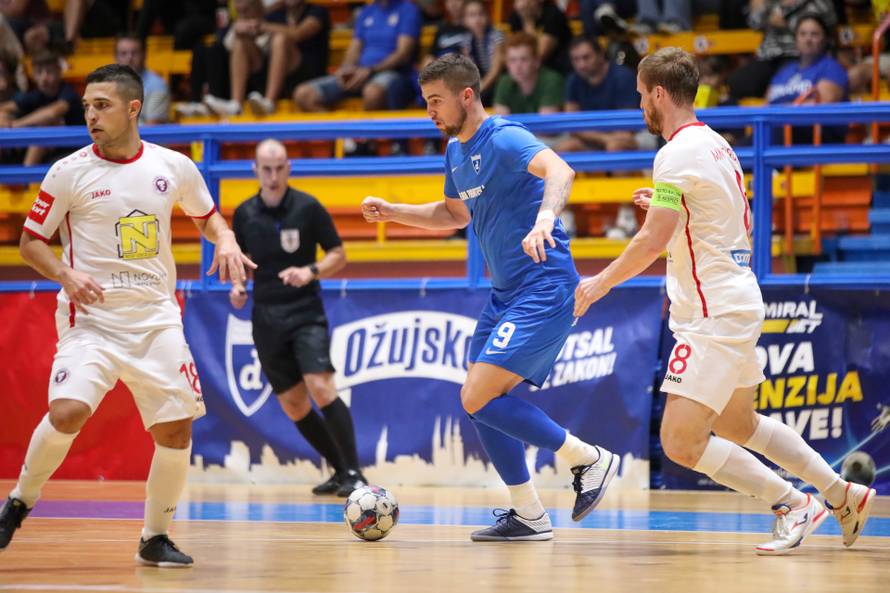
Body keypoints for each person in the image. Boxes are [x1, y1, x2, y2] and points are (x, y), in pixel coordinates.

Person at [573, 47, 877, 555]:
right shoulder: (716, 145)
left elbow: (652, 240)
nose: (640, 105)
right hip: (735, 297)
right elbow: (717, 220)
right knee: (740, 425)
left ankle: (792, 504)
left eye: (642, 95)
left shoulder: (674, 153)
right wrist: (670, 213)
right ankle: (839, 492)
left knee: (680, 442)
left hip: (712, 311)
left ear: (660, 94)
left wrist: (599, 282)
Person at [0, 64, 256, 567]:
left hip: (156, 316)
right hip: (91, 318)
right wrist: (66, 276)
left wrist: (225, 239)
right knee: (67, 412)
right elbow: (31, 242)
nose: (91, 115)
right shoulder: (68, 171)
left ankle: (154, 537)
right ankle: (18, 502)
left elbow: (208, 218)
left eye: (102, 105)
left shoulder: (173, 165)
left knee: (176, 430)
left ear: (133, 108)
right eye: (87, 106)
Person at [361, 53, 618, 542]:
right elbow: (454, 214)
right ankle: (528, 514)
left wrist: (545, 219)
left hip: (544, 286)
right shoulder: (456, 151)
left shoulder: (503, 137)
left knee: (477, 394)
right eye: (425, 102)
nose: (429, 112)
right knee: (479, 401)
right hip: (507, 293)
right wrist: (395, 212)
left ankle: (589, 459)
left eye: (436, 101)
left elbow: (560, 171)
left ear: (465, 95)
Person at [230, 139, 367, 497]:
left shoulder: (308, 208)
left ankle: (355, 472)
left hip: (305, 312)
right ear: (255, 171)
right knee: (293, 403)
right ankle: (339, 470)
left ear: (288, 168)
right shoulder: (244, 213)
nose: (273, 176)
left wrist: (311, 271)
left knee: (321, 387)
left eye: (279, 168)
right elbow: (239, 262)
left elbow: (339, 254)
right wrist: (238, 286)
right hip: (266, 316)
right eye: (266, 169)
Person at [204, 0, 331, 116]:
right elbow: (255, 25)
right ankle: (235, 104)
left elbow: (298, 34)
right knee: (241, 41)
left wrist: (261, 26)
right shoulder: (275, 14)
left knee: (280, 39)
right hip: (276, 76)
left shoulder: (317, 12)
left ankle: (269, 102)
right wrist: (246, 27)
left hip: (307, 77)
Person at [293, 0, 421, 112]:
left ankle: (364, 139)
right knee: (304, 94)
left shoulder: (408, 9)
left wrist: (370, 70)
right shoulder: (367, 11)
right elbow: (355, 47)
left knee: (372, 92)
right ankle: (344, 136)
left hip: (393, 73)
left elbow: (403, 53)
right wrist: (346, 69)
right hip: (360, 73)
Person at [765, 15, 848, 144]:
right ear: (796, 39)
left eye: (814, 34)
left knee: (770, 138)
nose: (808, 39)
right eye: (803, 34)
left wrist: (783, 110)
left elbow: (823, 103)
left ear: (825, 39)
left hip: (815, 135)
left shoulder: (831, 67)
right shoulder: (784, 71)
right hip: (778, 130)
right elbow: (767, 103)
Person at [555, 35, 641, 153]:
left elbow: (626, 125)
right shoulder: (573, 80)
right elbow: (572, 125)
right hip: (593, 138)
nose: (581, 65)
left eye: (586, 57)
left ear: (600, 54)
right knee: (566, 147)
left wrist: (607, 139)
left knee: (616, 146)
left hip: (626, 135)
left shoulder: (623, 76)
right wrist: (604, 139)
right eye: (575, 59)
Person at [0, 50, 84, 165]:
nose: (44, 77)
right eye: (39, 72)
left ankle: (27, 178)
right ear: (34, 75)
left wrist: (15, 125)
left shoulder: (69, 93)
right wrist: (4, 120)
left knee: (45, 128)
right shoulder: (36, 95)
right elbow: (6, 107)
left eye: (49, 72)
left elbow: (52, 113)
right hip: (47, 152)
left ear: (59, 71)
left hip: (73, 149)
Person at [493, 32, 563, 116]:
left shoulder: (552, 81)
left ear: (536, 61)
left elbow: (545, 125)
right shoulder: (504, 81)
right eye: (512, 60)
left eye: (524, 59)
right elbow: (502, 124)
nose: (518, 66)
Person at [115, 34, 170, 125]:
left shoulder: (157, 85)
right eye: (123, 53)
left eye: (134, 53)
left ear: (144, 55)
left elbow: (152, 129)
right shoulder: (108, 85)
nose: (129, 58)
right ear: (116, 57)